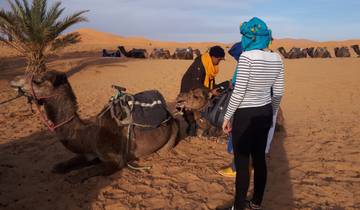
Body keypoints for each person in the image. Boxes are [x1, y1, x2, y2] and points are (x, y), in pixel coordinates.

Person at [218, 17, 284, 210]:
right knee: (260, 159)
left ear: (249, 37)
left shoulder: (247, 57)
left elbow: (239, 91)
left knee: (242, 162)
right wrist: (271, 115)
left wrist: (227, 116)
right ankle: (256, 203)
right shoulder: (277, 58)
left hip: (245, 115)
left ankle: (238, 206)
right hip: (264, 113)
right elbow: (278, 91)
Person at [180, 45, 225, 136]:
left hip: (200, 88)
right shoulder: (200, 63)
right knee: (189, 109)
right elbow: (196, 82)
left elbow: (209, 81)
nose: (219, 62)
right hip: (189, 87)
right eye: (219, 59)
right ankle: (191, 128)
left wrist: (214, 88)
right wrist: (211, 91)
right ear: (213, 57)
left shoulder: (210, 65)